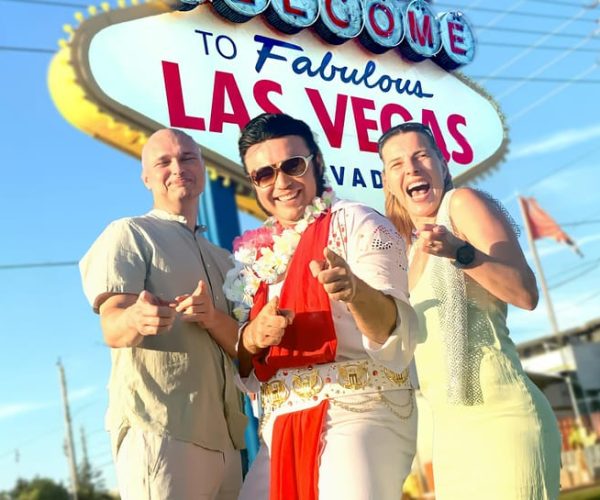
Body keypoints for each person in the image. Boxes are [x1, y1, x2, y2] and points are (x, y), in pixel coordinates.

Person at [223, 113, 418, 500]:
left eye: (292, 165)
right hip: (280, 431)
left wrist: (354, 292)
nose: (281, 183)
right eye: (264, 174)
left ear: (317, 163)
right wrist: (253, 338)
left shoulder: (358, 224)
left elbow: (394, 335)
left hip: (362, 410)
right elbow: (244, 367)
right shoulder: (254, 255)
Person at [379, 121, 561, 499]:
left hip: (503, 420)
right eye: (396, 164)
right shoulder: (409, 254)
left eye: (421, 156)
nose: (410, 169)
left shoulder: (461, 204)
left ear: (443, 166)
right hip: (449, 438)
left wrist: (460, 252)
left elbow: (525, 293)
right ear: (388, 183)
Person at [79, 128, 246, 500]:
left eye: (188, 157)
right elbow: (112, 323)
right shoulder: (129, 233)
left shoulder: (225, 259)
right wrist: (135, 320)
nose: (178, 167)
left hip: (228, 442)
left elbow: (242, 347)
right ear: (147, 177)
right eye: (164, 161)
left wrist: (212, 316)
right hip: (161, 431)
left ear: (202, 167)